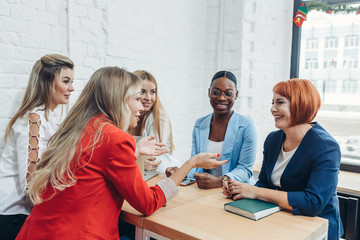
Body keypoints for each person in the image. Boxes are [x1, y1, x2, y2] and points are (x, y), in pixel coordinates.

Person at [16, 67, 226, 240]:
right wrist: (190, 164)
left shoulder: (74, 128)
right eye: (137, 98)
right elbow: (147, 203)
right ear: (119, 100)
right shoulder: (116, 138)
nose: (141, 106)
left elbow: (92, 167)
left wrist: (134, 150)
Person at [223, 78, 343, 239]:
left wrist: (255, 191)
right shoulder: (273, 140)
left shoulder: (326, 147)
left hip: (316, 227)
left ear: (301, 105)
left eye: (280, 102)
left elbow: (312, 202)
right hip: (281, 219)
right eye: (272, 102)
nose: (273, 109)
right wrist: (240, 191)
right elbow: (264, 183)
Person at [0, 54, 74, 240]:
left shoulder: (49, 117)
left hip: (25, 212)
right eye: (66, 81)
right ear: (48, 83)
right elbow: (31, 183)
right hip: (12, 215)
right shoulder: (34, 119)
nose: (71, 88)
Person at [185, 70, 257, 189]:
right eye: (216, 92)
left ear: (236, 95)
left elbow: (245, 169)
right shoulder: (199, 124)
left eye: (228, 94)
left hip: (237, 191)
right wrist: (180, 173)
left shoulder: (246, 125)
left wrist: (220, 181)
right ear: (209, 92)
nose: (221, 98)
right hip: (206, 192)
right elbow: (195, 164)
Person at [129, 70, 179, 173]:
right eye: (142, 92)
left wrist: (137, 160)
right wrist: (138, 161)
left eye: (153, 92)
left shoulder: (159, 118)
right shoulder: (126, 117)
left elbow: (151, 156)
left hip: (161, 171)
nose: (148, 98)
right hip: (142, 172)